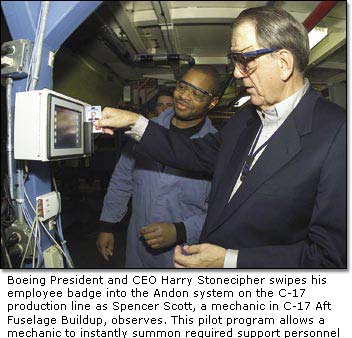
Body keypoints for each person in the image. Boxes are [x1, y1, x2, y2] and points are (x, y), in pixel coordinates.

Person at [95, 7, 346, 269]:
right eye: (234, 61)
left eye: (245, 60)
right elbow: (196, 154)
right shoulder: (247, 116)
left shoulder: (337, 133)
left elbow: (329, 258)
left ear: (283, 63)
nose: (237, 73)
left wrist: (228, 260)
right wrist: (135, 123)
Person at [96, 65, 219, 268]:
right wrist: (107, 226)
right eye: (182, 87)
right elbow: (122, 180)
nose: (184, 96)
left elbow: (222, 210)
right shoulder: (142, 133)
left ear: (212, 102)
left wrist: (181, 230)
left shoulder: (216, 149)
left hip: (183, 255)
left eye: (197, 93)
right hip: (137, 249)